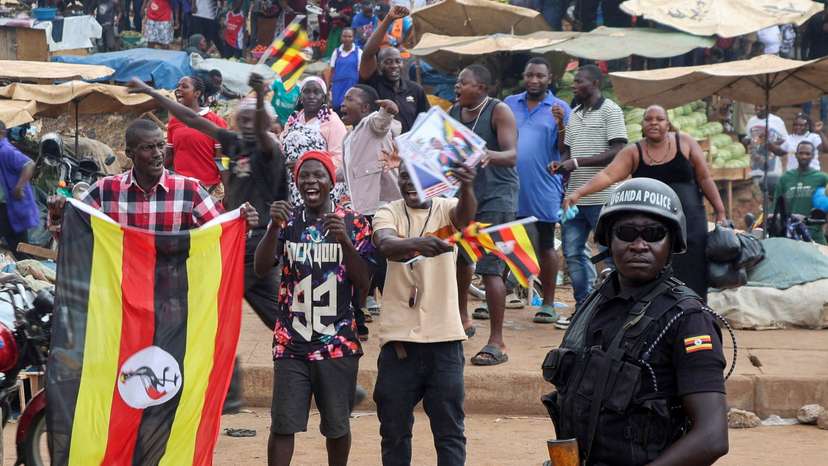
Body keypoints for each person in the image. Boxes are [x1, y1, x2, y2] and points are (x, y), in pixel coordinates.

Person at [542, 177, 730, 466]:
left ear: (671, 242)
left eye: (654, 234)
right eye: (626, 233)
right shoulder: (596, 302)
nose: (639, 245)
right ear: (609, 239)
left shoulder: (688, 320)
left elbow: (712, 437)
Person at [129, 73, 289, 329]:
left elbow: (260, 131)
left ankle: (302, 346)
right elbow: (191, 119)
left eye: (254, 119)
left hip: (260, 243)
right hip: (235, 240)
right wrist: (150, 91)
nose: (248, 124)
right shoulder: (235, 143)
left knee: (269, 318)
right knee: (208, 308)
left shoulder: (270, 149)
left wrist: (259, 96)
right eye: (243, 119)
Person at [254, 151, 372, 466]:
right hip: (291, 342)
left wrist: (344, 241)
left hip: (337, 342)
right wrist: (272, 227)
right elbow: (261, 268)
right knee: (283, 424)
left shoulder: (353, 222)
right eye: (304, 175)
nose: (311, 181)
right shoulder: (288, 221)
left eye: (318, 175)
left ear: (331, 181)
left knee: (337, 426)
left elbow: (364, 283)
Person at [371, 162, 476, 466]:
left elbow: (466, 219)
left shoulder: (448, 207)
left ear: (434, 180)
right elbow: (385, 243)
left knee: (450, 433)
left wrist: (467, 185)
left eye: (418, 176)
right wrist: (419, 244)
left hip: (445, 342)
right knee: (393, 432)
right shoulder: (388, 211)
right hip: (399, 345)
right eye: (405, 176)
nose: (410, 182)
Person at [563, 105, 727, 300]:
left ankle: (694, 308)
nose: (654, 123)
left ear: (668, 124)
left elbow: (705, 178)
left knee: (694, 268)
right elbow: (608, 175)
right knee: (657, 270)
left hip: (690, 221)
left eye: (659, 119)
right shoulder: (634, 151)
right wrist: (578, 193)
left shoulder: (685, 142)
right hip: (653, 228)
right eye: (649, 119)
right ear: (642, 124)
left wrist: (720, 211)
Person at [449, 64, 518, 366]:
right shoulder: (454, 112)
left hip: (497, 198)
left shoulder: (498, 111)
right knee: (461, 259)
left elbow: (512, 155)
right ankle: (462, 320)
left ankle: (497, 341)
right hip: (466, 197)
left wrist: (486, 155)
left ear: (481, 88)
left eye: (463, 82)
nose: (457, 86)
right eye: (457, 82)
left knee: (491, 268)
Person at [552, 64, 627, 310]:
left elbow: (618, 150)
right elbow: (567, 151)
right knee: (573, 254)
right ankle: (582, 306)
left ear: (594, 83)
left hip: (602, 197)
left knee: (608, 253)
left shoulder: (610, 110)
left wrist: (576, 163)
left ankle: (613, 307)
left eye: (579, 81)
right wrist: (560, 164)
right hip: (574, 199)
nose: (573, 85)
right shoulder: (574, 113)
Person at [504, 57, 571, 326]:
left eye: (540, 76)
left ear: (549, 79)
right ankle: (501, 294)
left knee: (545, 242)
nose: (534, 80)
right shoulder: (510, 103)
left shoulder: (560, 108)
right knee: (505, 239)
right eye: (530, 75)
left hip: (543, 185)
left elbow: (565, 150)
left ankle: (548, 303)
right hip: (509, 183)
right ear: (524, 76)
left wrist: (560, 124)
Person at [340, 85, 402, 319]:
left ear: (366, 108)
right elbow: (347, 171)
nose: (343, 103)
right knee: (364, 261)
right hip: (361, 209)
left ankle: (396, 312)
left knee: (382, 263)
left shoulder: (371, 124)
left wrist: (388, 111)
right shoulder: (349, 137)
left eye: (349, 99)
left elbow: (381, 123)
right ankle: (359, 313)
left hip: (380, 207)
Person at [359, 5, 429, 133]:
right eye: (388, 62)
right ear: (379, 65)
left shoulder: (416, 90)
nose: (394, 65)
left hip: (407, 145)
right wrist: (389, 19)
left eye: (398, 61)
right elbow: (368, 53)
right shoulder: (374, 84)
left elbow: (425, 122)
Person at [281, 77, 349, 207]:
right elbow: (282, 148)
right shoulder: (293, 119)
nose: (311, 96)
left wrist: (303, 165)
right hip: (294, 184)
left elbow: (340, 157)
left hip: (321, 185)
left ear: (323, 97)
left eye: (316, 92)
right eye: (307, 92)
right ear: (301, 97)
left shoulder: (332, 121)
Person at [166, 75, 228, 197]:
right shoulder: (174, 122)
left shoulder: (215, 121)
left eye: (184, 86)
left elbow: (222, 159)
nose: (179, 89)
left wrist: (228, 189)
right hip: (180, 189)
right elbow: (169, 156)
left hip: (208, 189)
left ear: (197, 93)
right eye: (178, 86)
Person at [775, 141, 828, 244]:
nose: (804, 156)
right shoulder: (785, 178)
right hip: (791, 234)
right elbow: (776, 208)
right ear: (796, 155)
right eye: (801, 153)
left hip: (814, 233)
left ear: (813, 156)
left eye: (807, 154)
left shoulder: (822, 178)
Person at [0, 122, 39, 254]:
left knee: (21, 249)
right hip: (6, 207)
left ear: (2, 133)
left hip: (10, 207)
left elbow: (29, 164)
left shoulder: (6, 150)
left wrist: (19, 187)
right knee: (20, 249)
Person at [745, 105, 788, 195]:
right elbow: (748, 137)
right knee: (759, 195)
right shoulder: (751, 121)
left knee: (773, 193)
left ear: (768, 106)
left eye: (761, 106)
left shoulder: (777, 121)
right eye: (756, 106)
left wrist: (771, 144)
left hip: (773, 168)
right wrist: (747, 140)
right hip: (756, 167)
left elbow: (785, 140)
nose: (757, 108)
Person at [327, 28, 362, 111]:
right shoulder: (336, 52)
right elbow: (332, 71)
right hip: (337, 86)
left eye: (349, 36)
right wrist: (328, 88)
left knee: (350, 108)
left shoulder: (358, 52)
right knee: (336, 107)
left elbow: (360, 71)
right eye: (344, 36)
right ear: (341, 38)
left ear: (353, 38)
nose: (347, 39)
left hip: (352, 86)